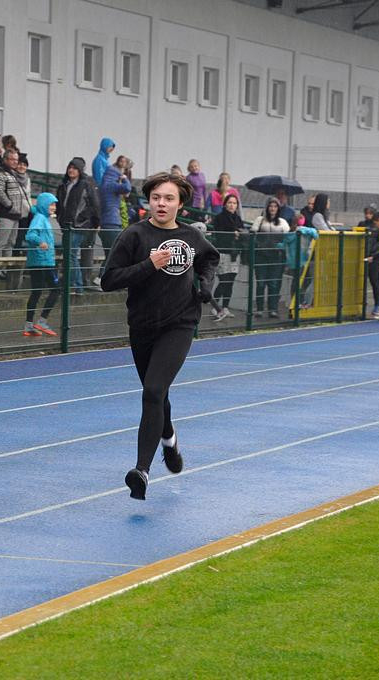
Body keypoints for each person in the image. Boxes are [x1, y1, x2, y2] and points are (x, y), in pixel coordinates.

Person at [100, 172, 220, 500]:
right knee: (158, 394)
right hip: (142, 327)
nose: (161, 203)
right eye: (156, 198)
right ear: (148, 201)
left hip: (179, 325)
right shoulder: (134, 236)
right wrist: (148, 265)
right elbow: (107, 280)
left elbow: (210, 259)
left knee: (153, 391)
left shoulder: (191, 236)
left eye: (168, 198)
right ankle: (169, 439)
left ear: (180, 203)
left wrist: (205, 285)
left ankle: (141, 471)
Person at [55, 157, 101, 295]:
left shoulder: (86, 185)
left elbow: (94, 205)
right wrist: (60, 219)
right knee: (70, 255)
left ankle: (77, 286)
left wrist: (93, 222)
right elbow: (60, 205)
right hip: (67, 226)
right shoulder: (64, 185)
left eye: (74, 168)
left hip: (79, 226)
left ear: (80, 170)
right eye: (70, 167)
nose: (71, 170)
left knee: (71, 255)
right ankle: (72, 285)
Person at [22, 192, 62, 338]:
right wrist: (41, 243)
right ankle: (42, 321)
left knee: (37, 291)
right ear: (44, 204)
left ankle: (28, 325)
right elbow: (30, 235)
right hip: (43, 261)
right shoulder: (40, 218)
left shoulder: (42, 218)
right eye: (51, 204)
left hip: (37, 260)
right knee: (56, 290)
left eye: (55, 204)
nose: (54, 207)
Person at [249, 197, 290, 318]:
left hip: (276, 257)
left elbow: (289, 237)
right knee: (261, 283)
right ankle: (260, 309)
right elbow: (252, 234)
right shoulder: (260, 220)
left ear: (278, 209)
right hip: (261, 256)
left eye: (275, 206)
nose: (273, 208)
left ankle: (273, 309)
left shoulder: (283, 222)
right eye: (271, 206)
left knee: (273, 284)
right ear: (267, 208)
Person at [0, 148, 31, 275]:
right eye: (12, 159)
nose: (15, 162)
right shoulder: (0, 173)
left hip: (16, 215)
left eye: (16, 159)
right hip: (6, 214)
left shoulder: (13, 174)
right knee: (1, 243)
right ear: (5, 159)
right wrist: (9, 206)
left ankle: (5, 269)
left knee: (10, 243)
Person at [96, 154, 132, 280]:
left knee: (110, 253)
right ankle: (101, 278)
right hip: (112, 222)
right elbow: (128, 188)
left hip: (106, 222)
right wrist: (124, 178)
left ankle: (105, 278)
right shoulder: (112, 185)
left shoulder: (103, 186)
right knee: (114, 253)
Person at [210, 193, 243, 321]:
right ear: (225, 204)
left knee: (231, 281)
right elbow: (219, 234)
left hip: (234, 254)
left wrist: (239, 234)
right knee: (223, 280)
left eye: (234, 203)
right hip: (223, 252)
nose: (232, 205)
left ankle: (225, 307)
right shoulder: (219, 217)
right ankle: (215, 306)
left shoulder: (238, 218)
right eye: (229, 202)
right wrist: (232, 234)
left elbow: (242, 233)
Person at [281, 219, 318, 312]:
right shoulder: (305, 232)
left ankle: (295, 303)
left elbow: (284, 246)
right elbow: (315, 234)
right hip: (303, 260)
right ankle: (299, 303)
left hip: (293, 261)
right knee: (302, 282)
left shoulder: (289, 234)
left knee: (297, 282)